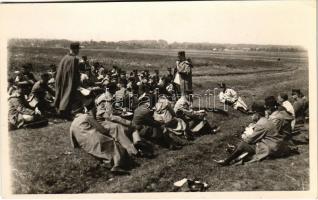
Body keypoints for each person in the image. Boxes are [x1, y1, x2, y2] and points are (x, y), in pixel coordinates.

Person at [215, 102, 293, 166]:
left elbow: (250, 140)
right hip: (276, 145)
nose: (252, 116)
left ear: (257, 114)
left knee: (243, 144)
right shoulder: (266, 120)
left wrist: (244, 137)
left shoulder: (261, 124)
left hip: (272, 149)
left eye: (253, 114)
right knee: (249, 145)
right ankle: (234, 154)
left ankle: (227, 161)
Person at [70, 98, 132, 175]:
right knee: (115, 145)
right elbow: (102, 130)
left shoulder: (72, 125)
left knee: (103, 150)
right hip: (97, 140)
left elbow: (73, 143)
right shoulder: (86, 117)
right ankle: (117, 165)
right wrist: (110, 135)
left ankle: (108, 163)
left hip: (87, 146)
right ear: (82, 109)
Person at [54, 42, 82, 119]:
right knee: (69, 95)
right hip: (70, 81)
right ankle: (66, 113)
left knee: (63, 94)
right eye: (78, 49)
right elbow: (75, 73)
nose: (78, 51)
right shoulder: (74, 59)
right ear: (75, 49)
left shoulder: (65, 57)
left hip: (62, 80)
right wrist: (77, 82)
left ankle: (62, 111)